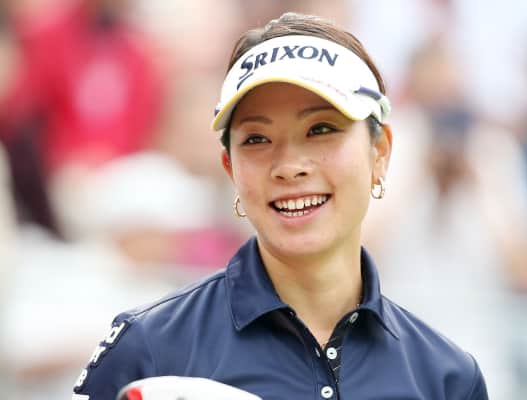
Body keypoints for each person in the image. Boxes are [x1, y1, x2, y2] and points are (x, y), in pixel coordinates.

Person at [72, 12, 488, 400]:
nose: (289, 166)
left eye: (320, 129)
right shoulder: (149, 349)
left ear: (379, 152)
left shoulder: (447, 377)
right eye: (257, 138)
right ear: (230, 168)